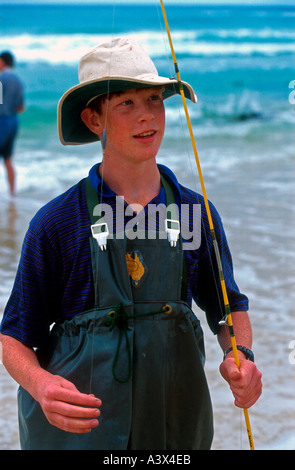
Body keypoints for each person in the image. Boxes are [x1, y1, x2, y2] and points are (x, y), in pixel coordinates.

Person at [0, 38, 262, 450]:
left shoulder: (196, 214)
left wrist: (241, 357)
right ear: (93, 119)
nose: (147, 117)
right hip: (78, 434)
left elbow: (229, 309)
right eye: (126, 104)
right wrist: (41, 385)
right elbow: (15, 336)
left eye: (155, 100)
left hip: (175, 427)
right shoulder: (56, 222)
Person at [0, 51, 25, 195]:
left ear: (2, 62)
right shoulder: (18, 81)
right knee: (8, 159)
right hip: (13, 121)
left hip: (1, 121)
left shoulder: (1, 79)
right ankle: (12, 194)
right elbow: (20, 107)